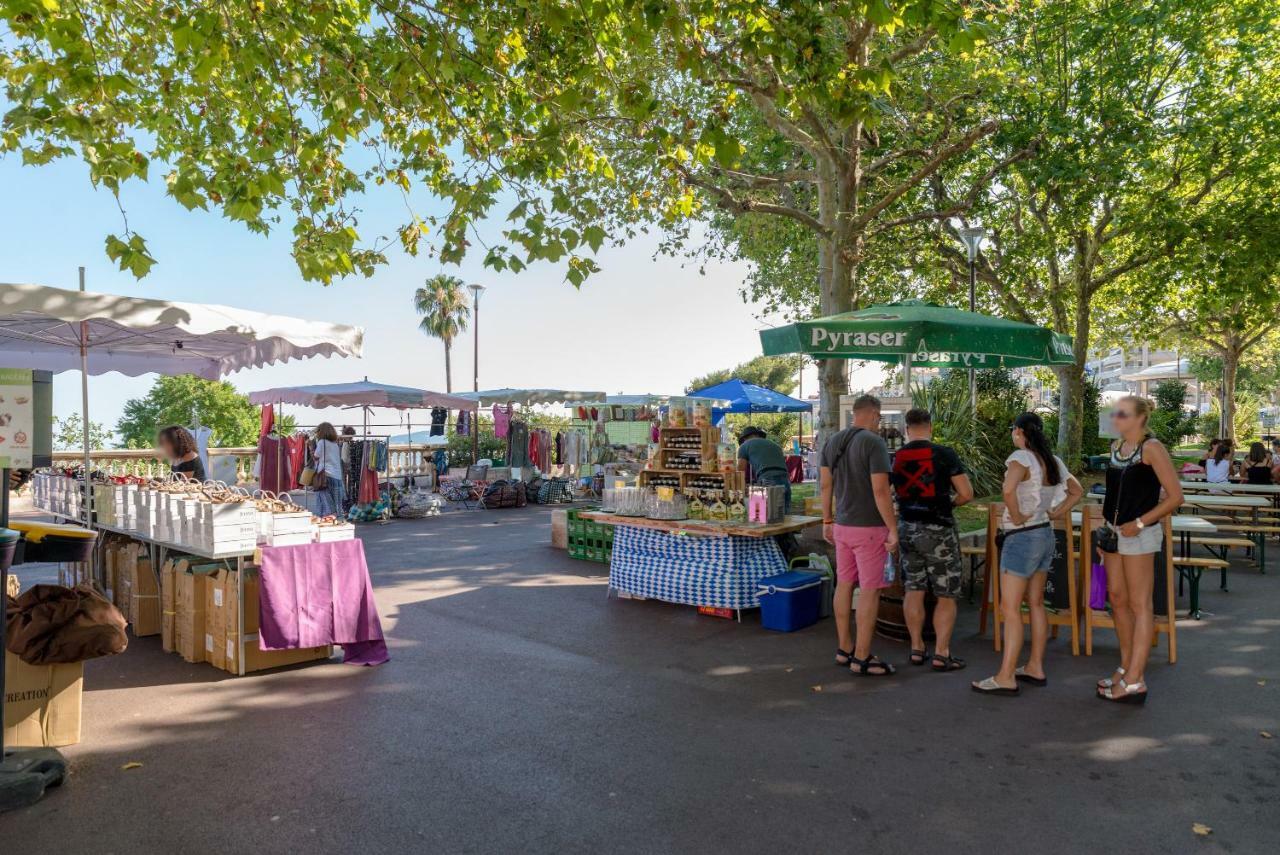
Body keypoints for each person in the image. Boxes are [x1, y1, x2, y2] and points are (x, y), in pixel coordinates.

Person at [972, 412, 1082, 696]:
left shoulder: (1020, 458)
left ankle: (1006, 675)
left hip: (1021, 537)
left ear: (1019, 431)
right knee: (1035, 604)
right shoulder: (1052, 460)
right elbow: (1076, 490)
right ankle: (1035, 666)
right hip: (1045, 533)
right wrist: (1056, 512)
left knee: (1010, 609)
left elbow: (1007, 490)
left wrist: (1018, 515)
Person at [1095, 396, 1184, 704]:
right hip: (1114, 533)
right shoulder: (1116, 449)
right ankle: (1127, 666)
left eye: (1122, 413)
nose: (1115, 418)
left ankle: (1135, 680)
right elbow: (1112, 495)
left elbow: (1175, 497)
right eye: (1115, 413)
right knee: (1117, 599)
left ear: (1139, 419)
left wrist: (1142, 523)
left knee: (1139, 604)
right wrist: (1105, 534)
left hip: (1139, 535)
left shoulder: (1152, 448)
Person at [890, 408, 974, 671]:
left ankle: (916, 648)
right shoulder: (944, 454)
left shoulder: (898, 457)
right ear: (930, 427)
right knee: (946, 594)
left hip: (907, 528)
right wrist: (949, 503)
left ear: (906, 429)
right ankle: (941, 653)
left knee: (914, 589)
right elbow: (966, 493)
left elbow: (892, 493)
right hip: (938, 530)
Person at [821, 394, 898, 677]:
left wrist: (826, 519)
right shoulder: (874, 443)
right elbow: (880, 491)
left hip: (841, 526)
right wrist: (892, 528)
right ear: (874, 414)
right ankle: (863, 657)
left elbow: (825, 486)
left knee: (844, 584)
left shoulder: (832, 441)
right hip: (869, 529)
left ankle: (845, 649)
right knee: (869, 590)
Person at [737, 426, 791, 512]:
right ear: (758, 435)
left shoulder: (744, 446)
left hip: (767, 478)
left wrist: (742, 488)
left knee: (762, 515)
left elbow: (740, 471)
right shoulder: (774, 445)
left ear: (744, 438)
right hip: (785, 478)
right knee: (784, 515)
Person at [312, 422, 345, 517]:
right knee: (336, 503)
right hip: (337, 476)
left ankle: (327, 521)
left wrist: (311, 448)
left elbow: (316, 456)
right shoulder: (335, 444)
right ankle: (337, 521)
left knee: (325, 503)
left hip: (325, 476)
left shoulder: (321, 442)